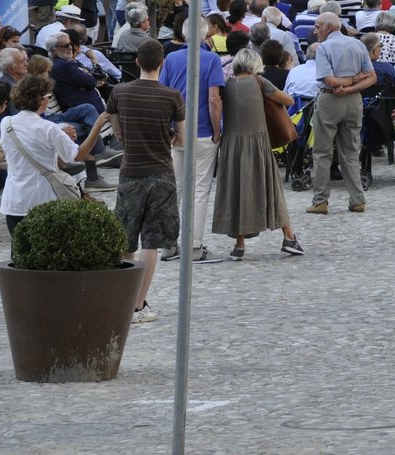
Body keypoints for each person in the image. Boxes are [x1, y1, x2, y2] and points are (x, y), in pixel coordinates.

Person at [107, 40, 188, 324]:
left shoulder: (119, 92)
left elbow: (117, 131)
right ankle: (139, 304)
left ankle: (122, 298)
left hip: (131, 170)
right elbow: (183, 140)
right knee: (151, 242)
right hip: (161, 172)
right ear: (162, 62)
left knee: (126, 239)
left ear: (137, 62)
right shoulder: (172, 96)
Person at [214, 47, 304, 259]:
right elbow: (288, 101)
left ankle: (239, 244)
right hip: (257, 143)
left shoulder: (226, 85)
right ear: (255, 64)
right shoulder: (259, 82)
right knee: (272, 189)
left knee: (237, 190)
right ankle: (288, 237)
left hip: (232, 145)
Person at [0, 75, 110, 236]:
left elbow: (27, 145)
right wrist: (96, 128)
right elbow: (77, 156)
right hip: (42, 198)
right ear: (41, 100)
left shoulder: (6, 123)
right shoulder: (49, 128)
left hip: (14, 199)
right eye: (48, 97)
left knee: (18, 254)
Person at [161, 23, 226, 263]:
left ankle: (169, 243)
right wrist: (217, 130)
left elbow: (165, 93)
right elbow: (214, 99)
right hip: (202, 131)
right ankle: (195, 245)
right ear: (206, 34)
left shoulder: (171, 59)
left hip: (178, 132)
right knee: (199, 190)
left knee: (175, 189)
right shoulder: (211, 60)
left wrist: (169, 127)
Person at [306, 13, 376, 215]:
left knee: (322, 152)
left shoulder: (324, 48)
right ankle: (357, 199)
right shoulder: (358, 45)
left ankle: (320, 201)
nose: (315, 30)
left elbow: (329, 81)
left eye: (318, 26)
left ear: (328, 28)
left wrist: (344, 84)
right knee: (351, 152)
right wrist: (354, 83)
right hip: (354, 101)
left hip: (330, 100)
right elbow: (371, 77)